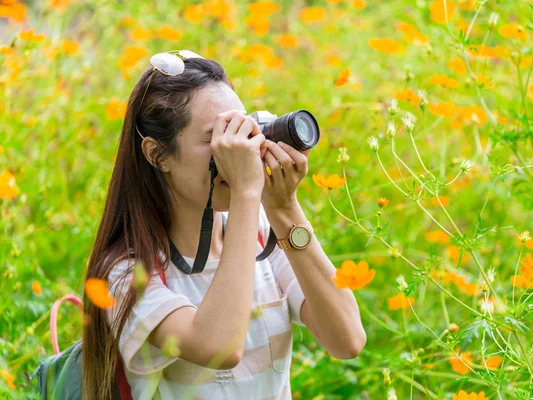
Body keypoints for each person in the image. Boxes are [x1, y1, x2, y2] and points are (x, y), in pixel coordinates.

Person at [82, 53, 366, 400]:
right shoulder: (127, 273)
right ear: (158, 155)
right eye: (215, 138)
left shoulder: (260, 233)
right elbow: (220, 347)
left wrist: (284, 207)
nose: (239, 150)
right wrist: (248, 191)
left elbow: (347, 339)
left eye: (242, 131)